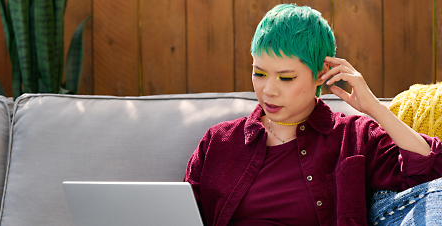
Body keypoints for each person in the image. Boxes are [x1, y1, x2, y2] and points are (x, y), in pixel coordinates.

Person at [184, 4, 442, 226]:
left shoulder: (353, 136)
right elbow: (180, 213)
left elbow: (428, 170)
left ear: (321, 73)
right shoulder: (218, 141)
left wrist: (374, 108)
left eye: (286, 78)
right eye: (259, 73)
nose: (268, 90)